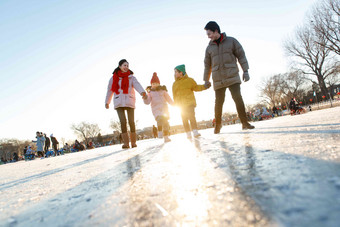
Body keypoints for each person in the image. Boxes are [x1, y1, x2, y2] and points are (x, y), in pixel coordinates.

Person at [203, 21, 254, 133]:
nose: (208, 37)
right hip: (218, 79)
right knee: (219, 103)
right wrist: (206, 80)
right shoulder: (209, 48)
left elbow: (241, 56)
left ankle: (244, 122)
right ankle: (218, 125)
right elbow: (207, 65)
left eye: (209, 33)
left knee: (238, 99)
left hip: (232, 76)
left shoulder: (231, 41)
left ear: (216, 31)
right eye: (207, 34)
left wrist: (245, 71)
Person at [105, 59, 147, 149]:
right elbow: (109, 91)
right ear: (119, 66)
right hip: (118, 102)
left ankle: (133, 142)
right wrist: (107, 102)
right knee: (123, 122)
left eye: (127, 65)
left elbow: (137, 85)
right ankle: (126, 143)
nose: (126, 67)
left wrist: (143, 93)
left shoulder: (131, 77)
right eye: (124, 65)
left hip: (129, 101)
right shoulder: (113, 78)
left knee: (131, 121)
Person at [172, 64, 210, 138]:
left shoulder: (190, 80)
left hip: (189, 103)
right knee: (184, 119)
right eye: (174, 72)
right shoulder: (174, 84)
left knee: (191, 117)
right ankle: (188, 133)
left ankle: (195, 131)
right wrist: (176, 104)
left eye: (176, 72)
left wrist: (205, 86)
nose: (175, 73)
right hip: (181, 105)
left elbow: (196, 87)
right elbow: (174, 95)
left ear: (181, 72)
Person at [144, 72, 174, 142]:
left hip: (164, 108)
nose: (155, 85)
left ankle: (166, 137)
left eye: (156, 83)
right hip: (156, 109)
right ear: (151, 85)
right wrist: (145, 98)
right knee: (160, 119)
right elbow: (147, 102)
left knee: (166, 122)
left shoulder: (163, 91)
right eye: (153, 84)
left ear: (159, 84)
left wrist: (173, 104)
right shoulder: (150, 93)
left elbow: (168, 98)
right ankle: (160, 131)